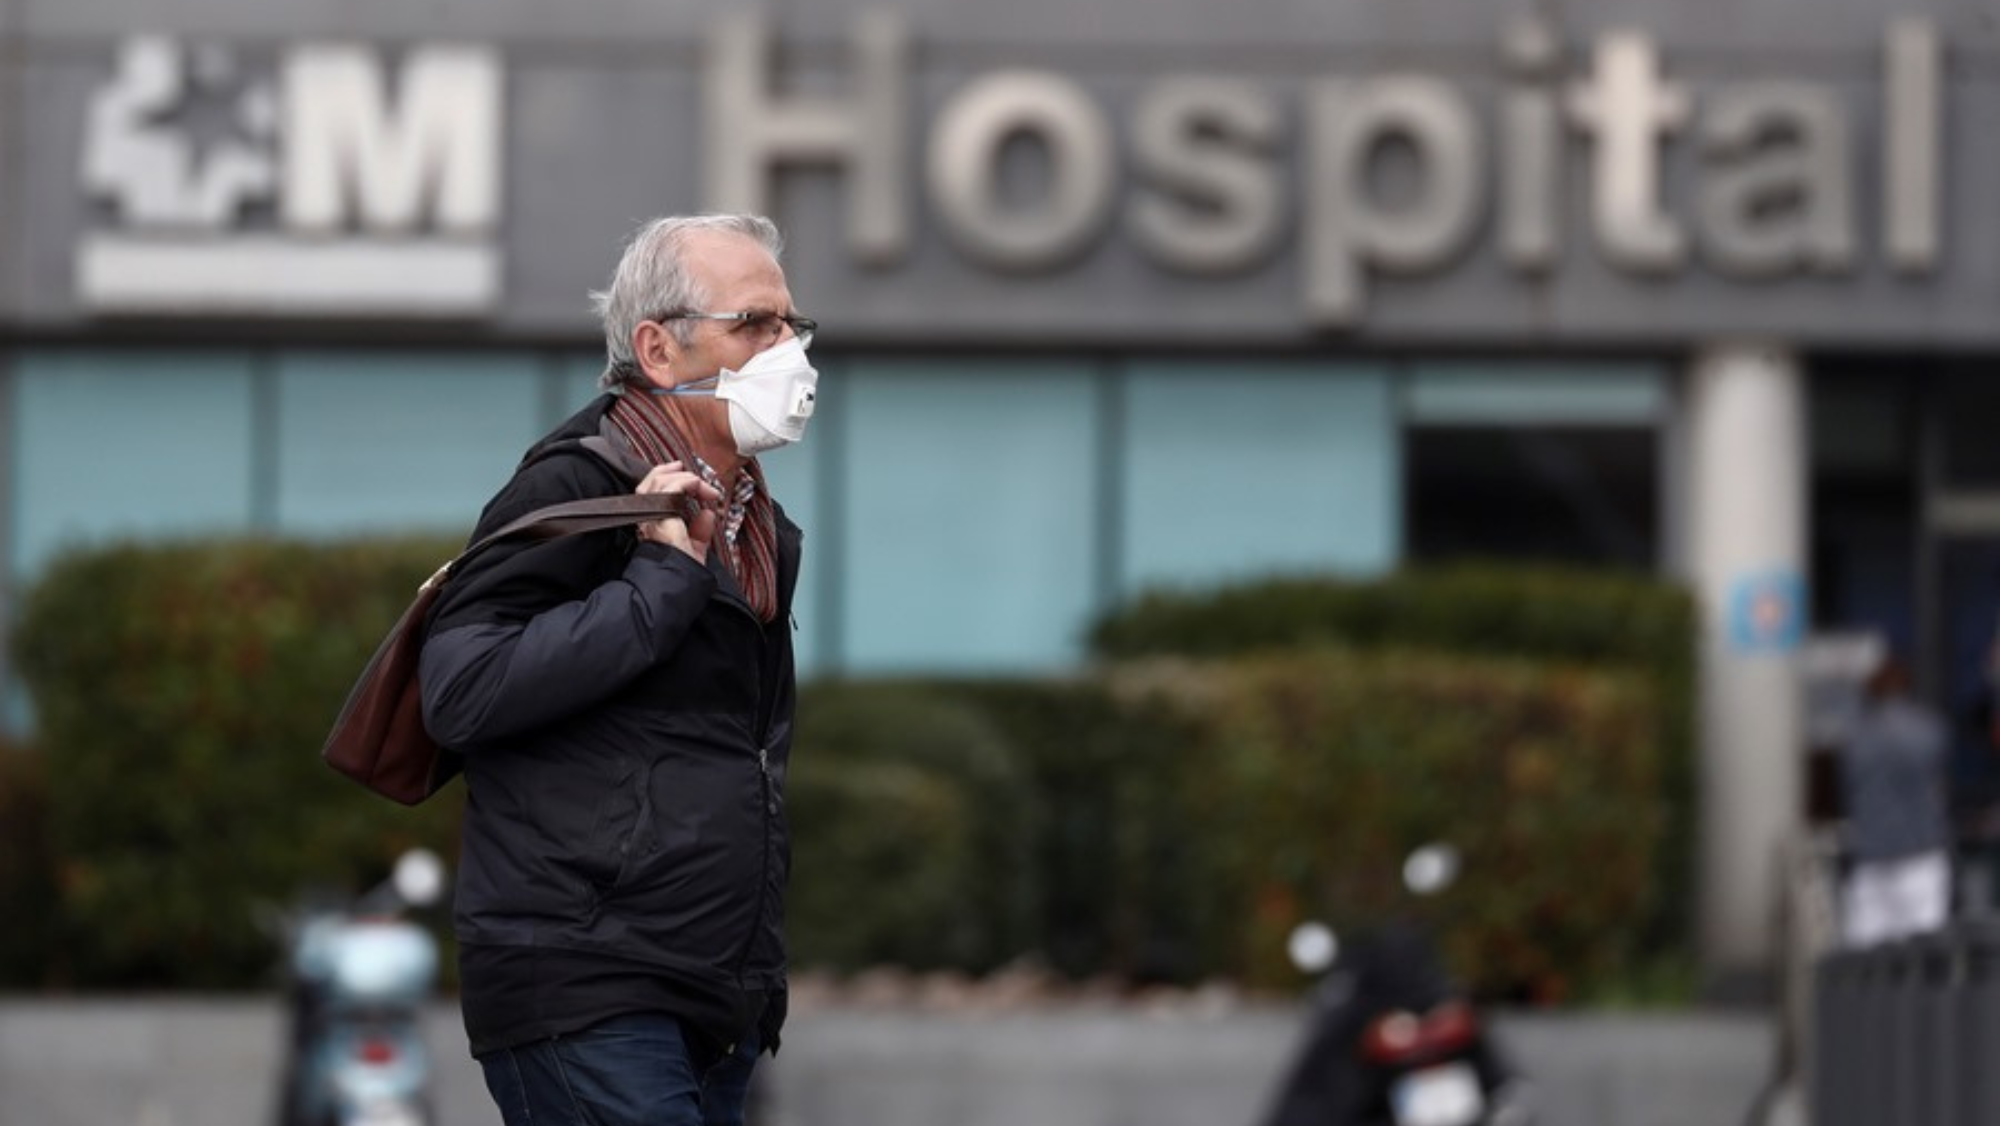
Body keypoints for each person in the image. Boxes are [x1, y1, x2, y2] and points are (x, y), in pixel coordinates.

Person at [417, 213, 816, 1126]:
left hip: (716, 992)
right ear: (658, 350)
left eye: (792, 325)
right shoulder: (578, 486)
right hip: (586, 980)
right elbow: (460, 690)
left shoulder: (755, 518)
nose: (786, 348)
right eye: (755, 324)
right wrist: (662, 580)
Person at [1837, 653, 1952, 947]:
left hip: (1872, 856)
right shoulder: (1926, 728)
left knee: (1866, 955)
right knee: (1924, 950)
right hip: (1920, 853)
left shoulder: (1857, 735)